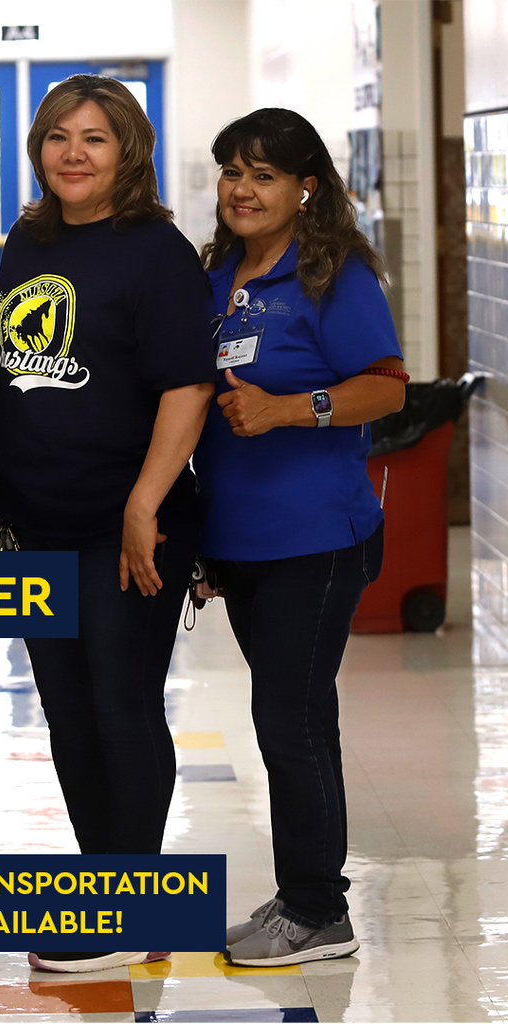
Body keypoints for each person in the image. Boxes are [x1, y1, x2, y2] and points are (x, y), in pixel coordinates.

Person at [0, 75, 217, 973]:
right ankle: (102, 888)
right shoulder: (28, 238)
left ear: (128, 150)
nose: (73, 154)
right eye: (58, 136)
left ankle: (132, 907)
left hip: (126, 519)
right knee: (68, 712)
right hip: (39, 522)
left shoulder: (156, 252)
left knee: (121, 706)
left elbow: (187, 386)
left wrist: (143, 505)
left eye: (94, 138)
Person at [194, 108, 406, 967]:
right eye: (232, 172)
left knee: (292, 722)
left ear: (304, 185)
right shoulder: (220, 277)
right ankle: (302, 893)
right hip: (241, 540)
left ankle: (318, 911)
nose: (243, 190)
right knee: (292, 717)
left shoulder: (334, 275)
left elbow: (387, 389)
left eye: (265, 175)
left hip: (314, 540)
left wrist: (290, 409)